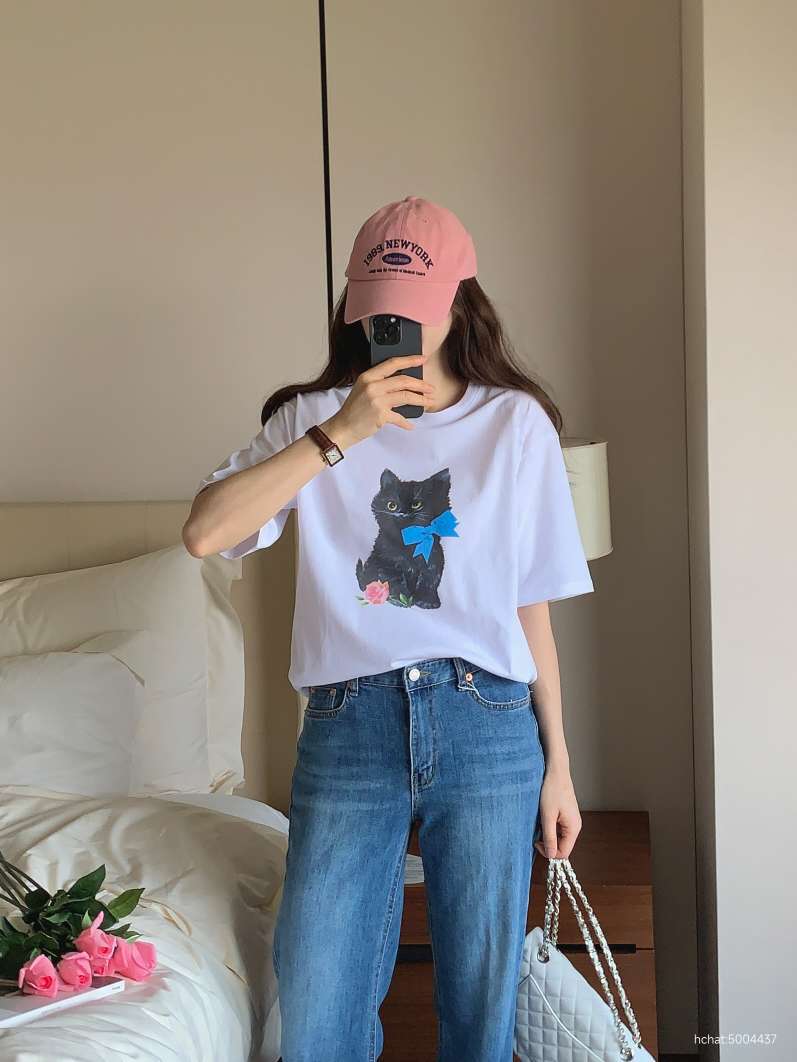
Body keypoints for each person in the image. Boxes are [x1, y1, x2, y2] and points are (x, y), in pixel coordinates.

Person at [182, 196, 594, 1062]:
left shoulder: (514, 423)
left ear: (459, 301)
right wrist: (340, 433)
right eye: (377, 309)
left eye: (412, 307)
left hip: (486, 719)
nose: (393, 326)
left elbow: (530, 608)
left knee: (481, 1007)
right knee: (317, 1005)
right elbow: (205, 534)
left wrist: (558, 767)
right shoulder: (308, 418)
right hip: (349, 725)